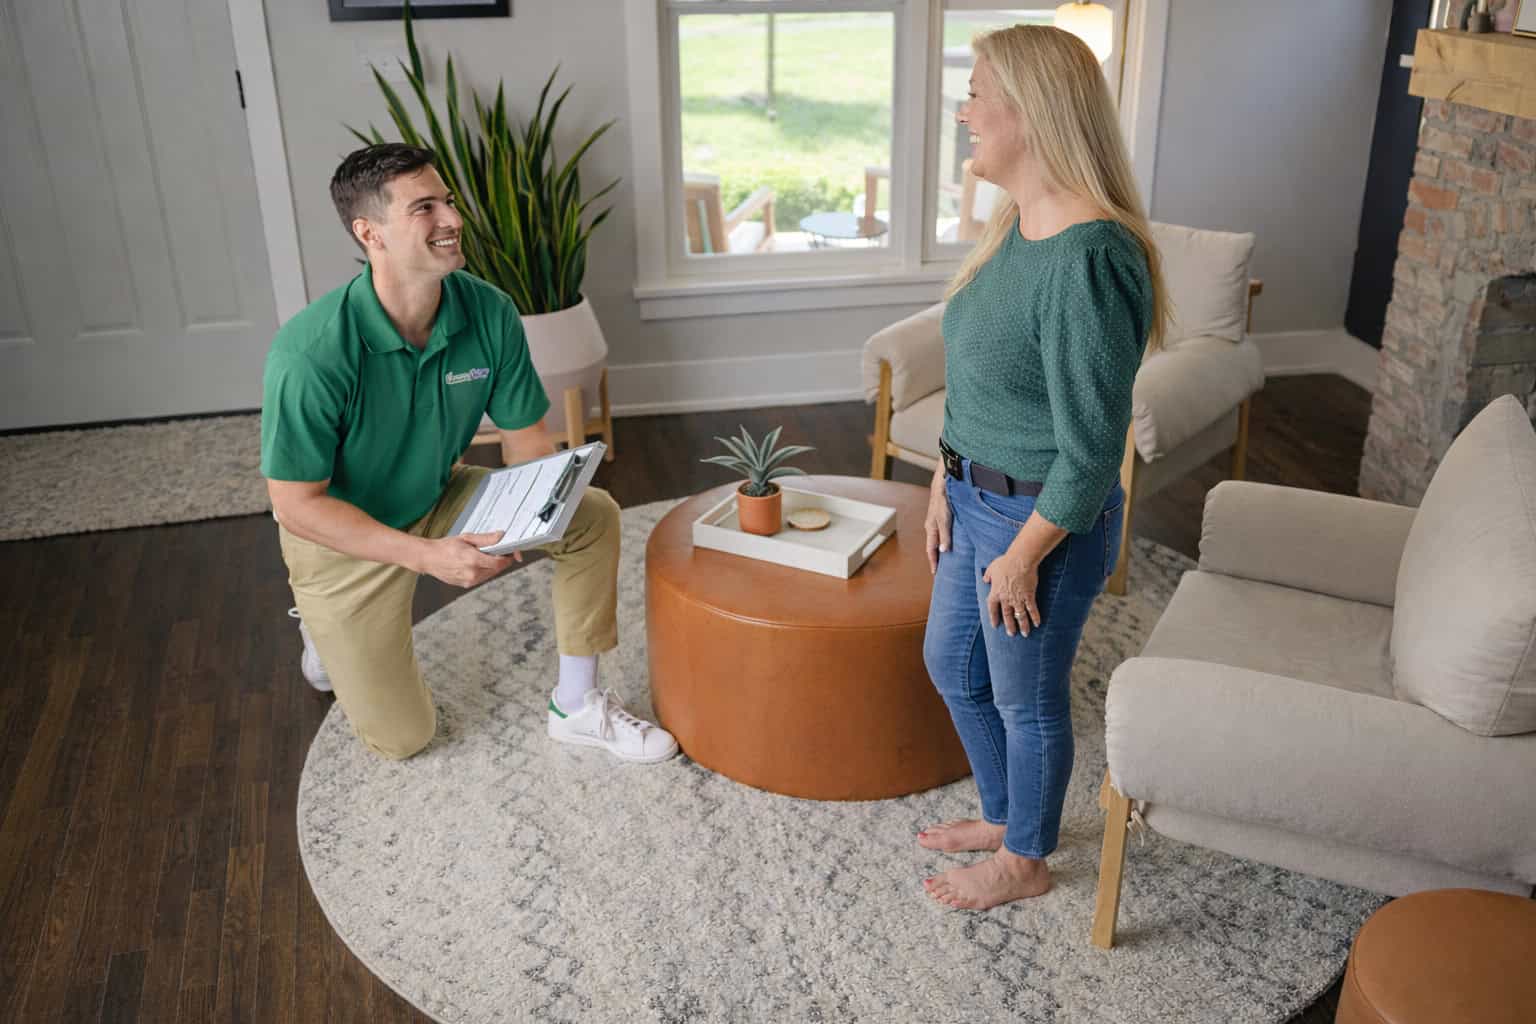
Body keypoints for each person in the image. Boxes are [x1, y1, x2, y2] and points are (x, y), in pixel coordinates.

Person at [262, 143, 676, 765]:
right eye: (424, 207)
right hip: (343, 539)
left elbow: (526, 437)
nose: (452, 219)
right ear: (368, 232)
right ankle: (323, 634)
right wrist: (424, 557)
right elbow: (296, 505)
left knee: (592, 514)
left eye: (448, 201)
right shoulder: (311, 353)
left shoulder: (488, 309)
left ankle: (578, 705)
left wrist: (531, 512)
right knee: (405, 740)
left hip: (436, 495)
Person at [916, 25, 1168, 909]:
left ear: (1033, 111)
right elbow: (977, 383)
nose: (965, 111)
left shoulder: (1092, 260)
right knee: (952, 665)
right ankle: (1004, 812)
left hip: (1041, 526)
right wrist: (943, 476)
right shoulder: (1015, 225)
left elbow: (1096, 447)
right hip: (974, 499)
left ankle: (1025, 858)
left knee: (1027, 701)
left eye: (978, 92)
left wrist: (1023, 555)